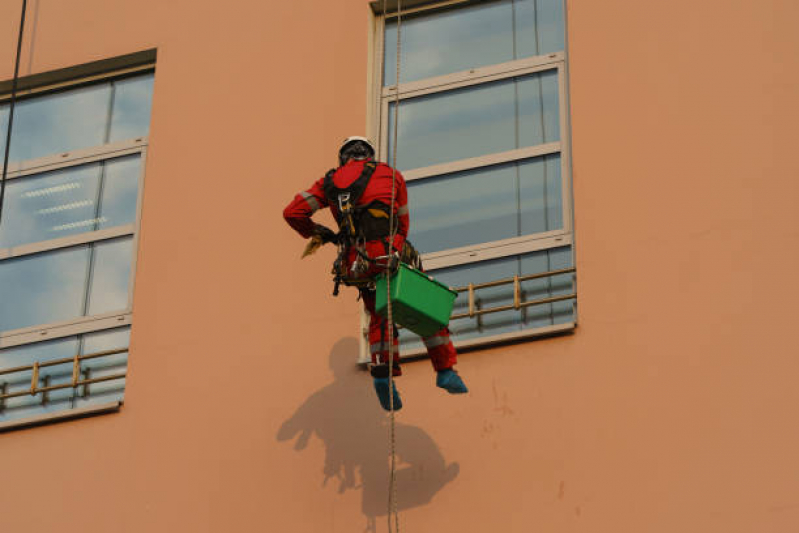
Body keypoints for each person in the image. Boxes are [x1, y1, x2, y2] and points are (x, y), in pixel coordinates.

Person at [283, 136, 468, 411]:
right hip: (388, 254)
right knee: (427, 307)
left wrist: (318, 233)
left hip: (355, 263)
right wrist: (394, 248)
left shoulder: (329, 183)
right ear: (368, 155)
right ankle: (445, 370)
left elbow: (293, 212)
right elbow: (402, 224)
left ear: (343, 157)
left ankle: (383, 375)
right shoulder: (391, 175)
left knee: (379, 314)